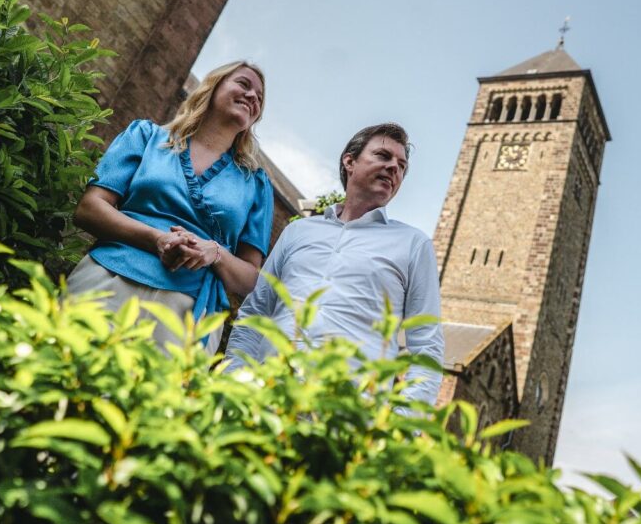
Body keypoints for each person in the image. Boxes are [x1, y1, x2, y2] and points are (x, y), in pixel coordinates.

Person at [225, 123, 444, 405]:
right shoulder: (298, 232)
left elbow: (426, 345)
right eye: (383, 156)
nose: (394, 168)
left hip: (348, 413)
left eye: (401, 165)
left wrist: (405, 421)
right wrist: (233, 381)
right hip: (264, 396)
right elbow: (256, 312)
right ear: (349, 161)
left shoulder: (414, 245)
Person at [67, 61, 274, 354]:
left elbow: (251, 278)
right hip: (109, 278)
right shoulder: (146, 137)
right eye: (244, 84)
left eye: (260, 98)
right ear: (213, 87)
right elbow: (89, 209)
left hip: (187, 314)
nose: (253, 96)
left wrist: (214, 252)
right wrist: (157, 239)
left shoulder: (255, 184)